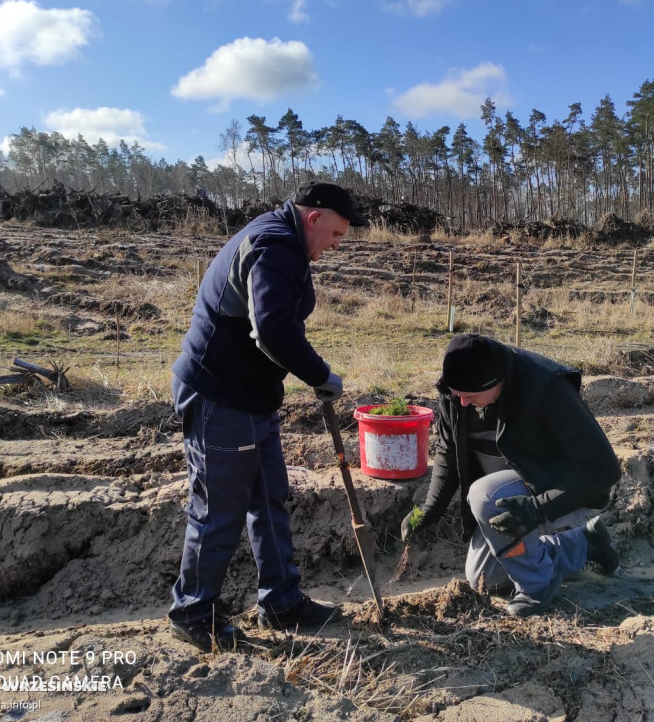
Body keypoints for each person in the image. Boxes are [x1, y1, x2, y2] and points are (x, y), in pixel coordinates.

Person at [167, 181, 368, 651]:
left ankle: (281, 602)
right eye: (336, 234)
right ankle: (192, 613)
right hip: (219, 395)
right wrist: (320, 374)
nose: (337, 246)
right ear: (314, 217)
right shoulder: (275, 243)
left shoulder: (288, 242)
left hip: (251, 395)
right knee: (218, 509)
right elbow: (274, 329)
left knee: (269, 500)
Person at [402, 333, 621, 617]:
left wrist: (537, 509)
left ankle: (536, 586)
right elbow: (448, 451)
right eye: (457, 395)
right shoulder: (457, 390)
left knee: (483, 495)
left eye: (470, 396)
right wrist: (430, 510)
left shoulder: (546, 388)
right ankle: (582, 544)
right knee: (485, 577)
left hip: (555, 493)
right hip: (507, 496)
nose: (463, 403)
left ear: (498, 382)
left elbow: (604, 469)